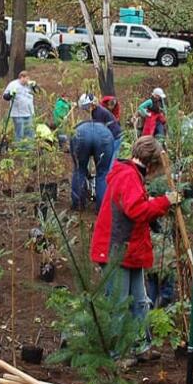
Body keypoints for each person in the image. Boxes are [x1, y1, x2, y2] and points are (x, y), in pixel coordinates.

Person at [90, 136, 181, 363]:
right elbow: (136, 210)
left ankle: (141, 346)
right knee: (119, 305)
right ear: (150, 163)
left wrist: (154, 201)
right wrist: (164, 202)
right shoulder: (128, 175)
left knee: (140, 301)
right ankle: (116, 355)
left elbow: (134, 204)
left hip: (130, 250)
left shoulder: (132, 175)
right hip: (116, 251)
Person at [70, 118, 116, 211]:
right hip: (104, 136)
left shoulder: (78, 129)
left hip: (81, 135)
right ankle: (102, 208)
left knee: (79, 170)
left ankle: (78, 204)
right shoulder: (104, 128)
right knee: (102, 173)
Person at [80, 92, 124, 160]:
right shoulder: (95, 111)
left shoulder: (98, 113)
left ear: (91, 104)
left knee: (112, 160)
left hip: (115, 136)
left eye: (86, 107)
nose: (86, 110)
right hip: (111, 135)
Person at [3, 70, 37, 143]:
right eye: (26, 79)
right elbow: (5, 96)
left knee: (30, 132)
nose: (27, 81)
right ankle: (19, 149)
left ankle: (29, 149)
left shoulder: (29, 85)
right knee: (20, 133)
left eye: (28, 78)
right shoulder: (13, 84)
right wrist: (10, 94)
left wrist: (34, 86)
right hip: (18, 114)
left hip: (29, 112)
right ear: (21, 78)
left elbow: (37, 92)